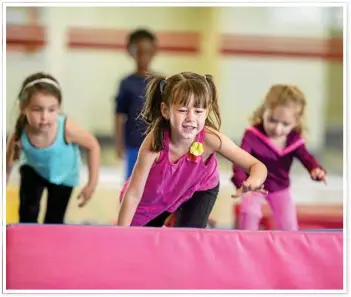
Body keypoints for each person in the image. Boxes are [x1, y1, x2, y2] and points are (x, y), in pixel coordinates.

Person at [116, 72, 268, 228]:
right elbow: (134, 194)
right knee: (142, 239)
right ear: (165, 110)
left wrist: (253, 181)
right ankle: (174, 214)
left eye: (198, 111)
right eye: (182, 110)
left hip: (200, 188)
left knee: (187, 236)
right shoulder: (154, 143)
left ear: (207, 112)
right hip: (154, 197)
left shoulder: (211, 139)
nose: (190, 118)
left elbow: (256, 165)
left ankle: (188, 217)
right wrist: (122, 233)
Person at [6, 72, 101, 224]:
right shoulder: (19, 132)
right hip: (34, 170)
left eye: (51, 110)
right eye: (37, 109)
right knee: (27, 211)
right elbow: (6, 166)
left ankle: (48, 245)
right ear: (23, 108)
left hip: (63, 176)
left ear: (58, 108)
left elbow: (93, 146)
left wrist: (91, 184)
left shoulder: (66, 128)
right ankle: (27, 242)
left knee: (54, 219)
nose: (45, 117)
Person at [231, 84, 327, 231]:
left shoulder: (294, 140)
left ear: (296, 122)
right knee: (250, 212)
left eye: (285, 124)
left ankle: (289, 250)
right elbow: (239, 160)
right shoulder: (252, 135)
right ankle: (246, 245)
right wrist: (242, 183)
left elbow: (307, 158)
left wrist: (316, 170)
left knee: (288, 224)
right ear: (264, 112)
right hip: (254, 184)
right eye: (272, 120)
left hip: (280, 188)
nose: (277, 128)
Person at [114, 28, 158, 180]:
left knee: (153, 183)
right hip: (133, 145)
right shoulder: (126, 83)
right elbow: (119, 115)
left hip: (156, 145)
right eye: (138, 51)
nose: (143, 56)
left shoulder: (160, 82)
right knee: (131, 183)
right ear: (130, 52)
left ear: (154, 52)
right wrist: (119, 144)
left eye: (147, 51)